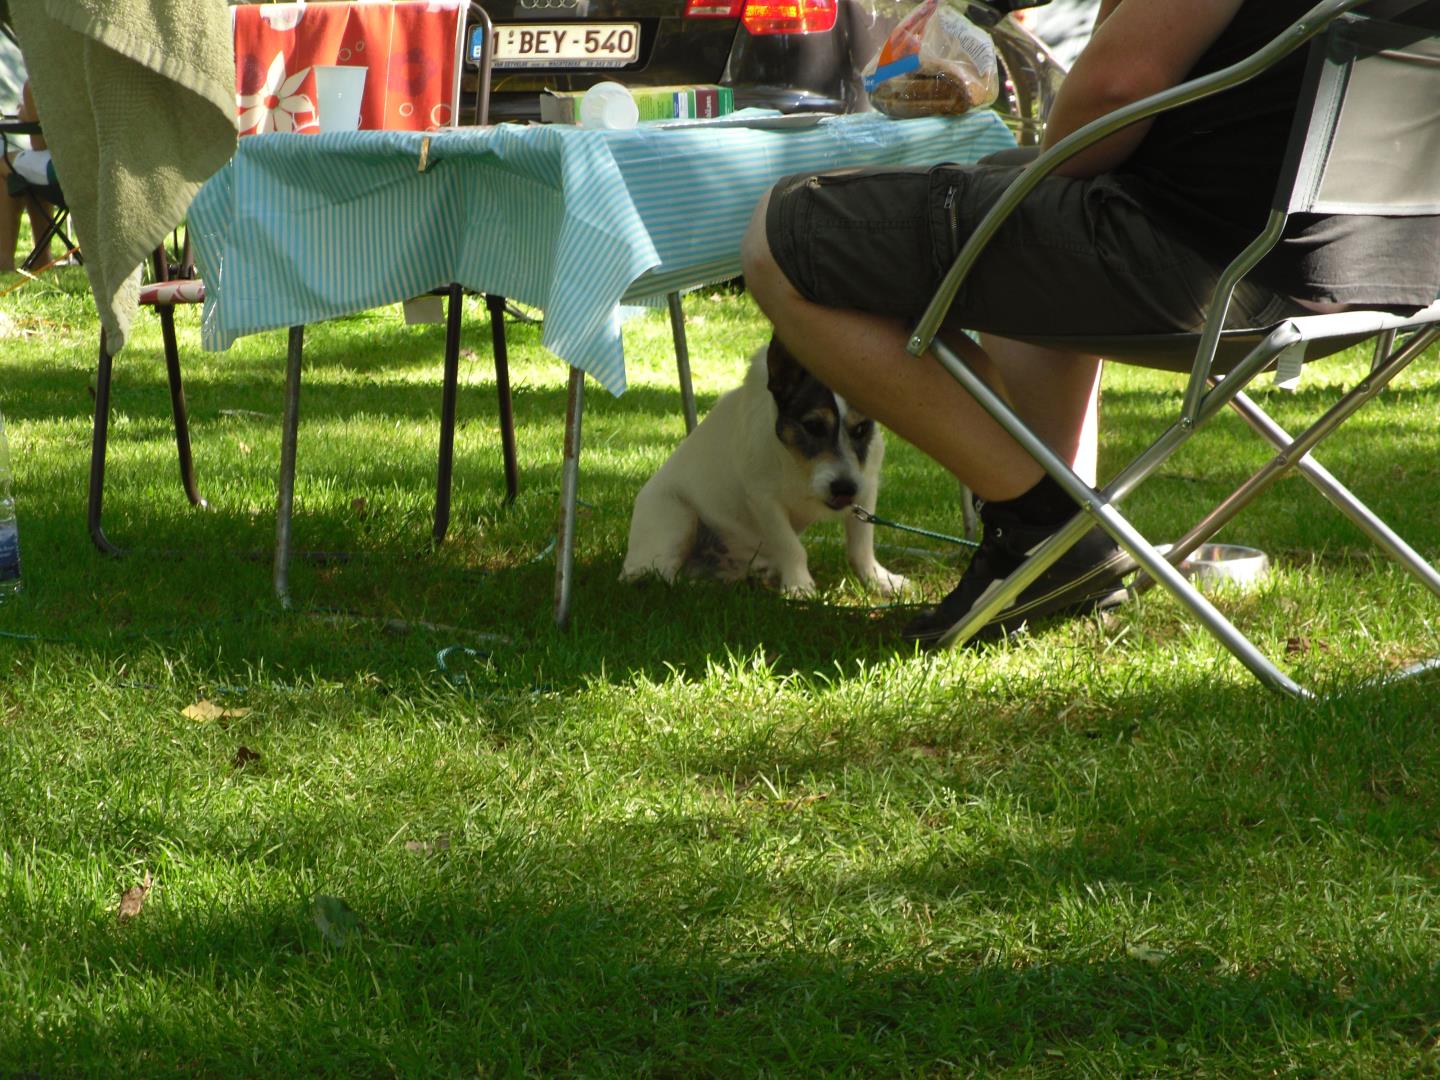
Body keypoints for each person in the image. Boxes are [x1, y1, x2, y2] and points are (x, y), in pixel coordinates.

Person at [741, 0, 1440, 648]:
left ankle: (1046, 529)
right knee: (1006, 179)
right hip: (1373, 279)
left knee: (782, 236)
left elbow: (1107, 97)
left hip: (1212, 271)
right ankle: (1059, 545)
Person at [1, 80, 56, 272]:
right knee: (30, 170)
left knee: (4, 165)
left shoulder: (39, 82)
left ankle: (4, 259)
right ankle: (42, 257)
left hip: (63, 174)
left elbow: (39, 144)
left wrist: (25, 113)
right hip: (101, 169)